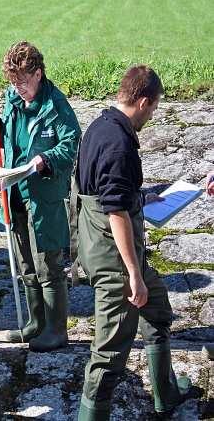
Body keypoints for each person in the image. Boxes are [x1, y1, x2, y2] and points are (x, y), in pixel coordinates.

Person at [75, 65, 194, 420]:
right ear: (143, 101)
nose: (152, 114)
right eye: (154, 107)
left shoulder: (101, 125)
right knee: (110, 354)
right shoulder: (119, 143)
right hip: (115, 261)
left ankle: (166, 394)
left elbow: (106, 190)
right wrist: (133, 276)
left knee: (156, 310)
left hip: (103, 247)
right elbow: (115, 212)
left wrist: (141, 196)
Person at [0, 42, 81, 352]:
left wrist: (45, 159)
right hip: (14, 194)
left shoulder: (56, 105)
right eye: (12, 82)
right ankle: (36, 322)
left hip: (44, 197)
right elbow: (1, 141)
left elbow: (71, 144)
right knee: (25, 265)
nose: (17, 88)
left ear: (38, 74)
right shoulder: (12, 99)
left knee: (47, 265)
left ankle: (56, 329)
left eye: (23, 82)